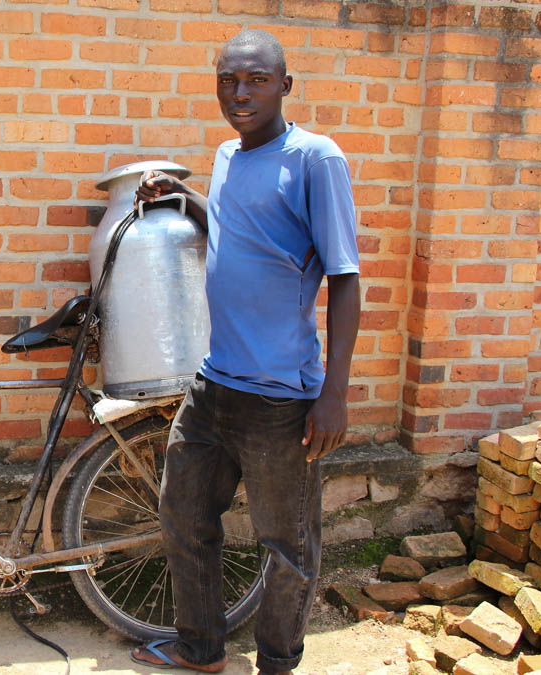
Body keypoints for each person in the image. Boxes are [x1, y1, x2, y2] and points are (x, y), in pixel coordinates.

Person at [128, 29, 361, 674]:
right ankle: (201, 649)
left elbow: (344, 278)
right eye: (229, 79)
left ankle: (277, 663)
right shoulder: (228, 155)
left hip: (281, 399)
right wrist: (184, 200)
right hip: (214, 385)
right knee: (183, 515)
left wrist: (334, 394)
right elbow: (240, 232)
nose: (241, 92)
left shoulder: (316, 160)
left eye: (256, 80)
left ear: (285, 85)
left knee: (285, 546)